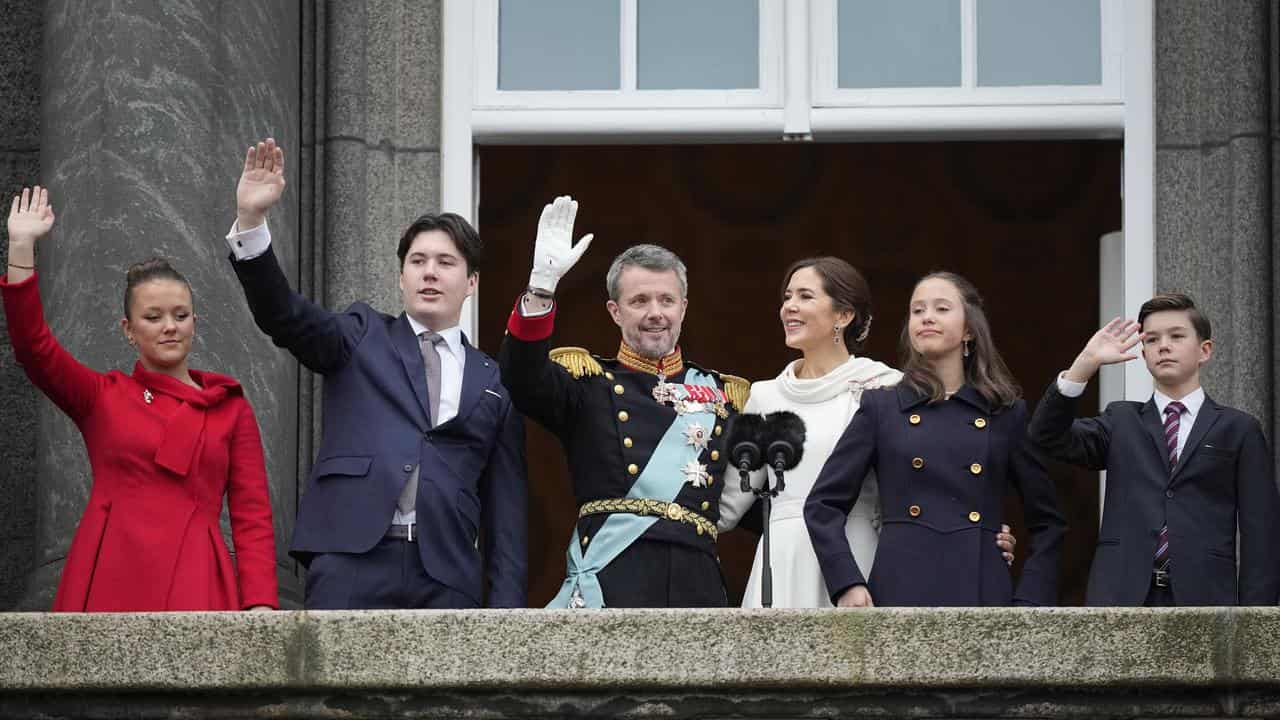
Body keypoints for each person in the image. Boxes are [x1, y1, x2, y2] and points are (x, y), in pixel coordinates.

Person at [225, 138, 527, 609]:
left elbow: (507, 513)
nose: (430, 273)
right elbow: (283, 315)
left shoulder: (491, 381)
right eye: (418, 262)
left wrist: (508, 615)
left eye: (446, 263)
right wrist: (252, 224)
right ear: (400, 278)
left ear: (471, 283)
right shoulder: (361, 334)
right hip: (350, 558)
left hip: (446, 574)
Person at [1, 186, 278, 612]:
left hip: (197, 576)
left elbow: (252, 517)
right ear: (128, 329)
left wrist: (260, 605)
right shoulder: (102, 397)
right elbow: (34, 348)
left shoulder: (230, 408)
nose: (169, 326)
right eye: (153, 317)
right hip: (111, 570)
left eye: (180, 316)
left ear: (194, 323)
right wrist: (21, 248)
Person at [719, 258, 1016, 608]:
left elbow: (940, 475)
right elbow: (727, 507)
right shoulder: (763, 395)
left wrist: (984, 535)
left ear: (843, 316)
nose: (789, 307)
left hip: (857, 555)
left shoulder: (887, 388)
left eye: (805, 296)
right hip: (785, 558)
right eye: (787, 297)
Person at [499, 196, 748, 608]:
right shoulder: (588, 383)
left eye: (666, 300)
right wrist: (541, 288)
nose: (655, 313)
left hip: (697, 586)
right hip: (614, 581)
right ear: (614, 311)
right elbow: (521, 378)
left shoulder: (723, 396)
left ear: (683, 308)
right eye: (639, 301)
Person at [805, 271, 1065, 607]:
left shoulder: (1004, 414)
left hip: (983, 592)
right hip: (900, 587)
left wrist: (1030, 602)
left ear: (969, 329)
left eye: (942, 309)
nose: (927, 317)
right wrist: (847, 583)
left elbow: (1049, 523)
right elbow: (822, 505)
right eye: (917, 310)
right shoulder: (881, 407)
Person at [1026, 294, 1280, 606]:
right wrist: (1085, 364)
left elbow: (1261, 533)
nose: (1163, 346)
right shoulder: (1121, 420)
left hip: (1206, 597)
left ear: (1205, 350)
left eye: (1176, 336)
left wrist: (1257, 621)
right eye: (1152, 339)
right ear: (1144, 354)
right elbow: (1046, 437)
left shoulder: (1238, 429)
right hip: (1122, 595)